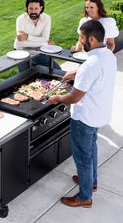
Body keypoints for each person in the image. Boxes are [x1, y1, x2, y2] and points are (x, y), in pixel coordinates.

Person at [49, 20, 117, 207]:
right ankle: (91, 182)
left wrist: (56, 98)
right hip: (99, 114)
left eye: (82, 38)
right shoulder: (108, 55)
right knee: (91, 149)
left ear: (92, 39)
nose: (79, 41)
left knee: (82, 156)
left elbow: (74, 98)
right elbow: (95, 71)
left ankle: (85, 196)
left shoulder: (90, 64)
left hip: (84, 118)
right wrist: (76, 72)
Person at [14, 0, 61, 71]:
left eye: (36, 8)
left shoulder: (47, 19)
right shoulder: (21, 19)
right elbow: (22, 43)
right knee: (26, 77)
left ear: (41, 8)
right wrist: (45, 43)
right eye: (30, 8)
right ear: (27, 8)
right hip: (22, 52)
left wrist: (27, 37)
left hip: (39, 51)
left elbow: (45, 38)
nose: (33, 12)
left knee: (57, 70)